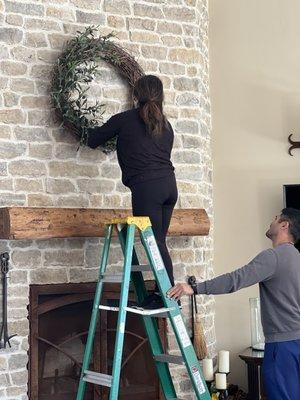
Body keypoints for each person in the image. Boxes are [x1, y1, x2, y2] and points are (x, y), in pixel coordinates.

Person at [168, 208, 300, 400]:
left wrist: (195, 288)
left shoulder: (273, 257)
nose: (272, 221)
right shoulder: (297, 257)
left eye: (276, 218)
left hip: (282, 347)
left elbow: (235, 280)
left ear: (284, 225)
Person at [86, 75, 178, 309]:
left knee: (155, 243)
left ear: (135, 96)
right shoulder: (165, 126)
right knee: (159, 242)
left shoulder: (125, 120)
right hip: (169, 186)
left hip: (147, 188)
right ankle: (163, 293)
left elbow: (93, 140)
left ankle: (164, 295)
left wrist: (78, 123)